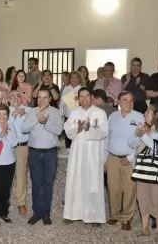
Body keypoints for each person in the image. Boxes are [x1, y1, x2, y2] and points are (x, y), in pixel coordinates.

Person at [62, 87, 108, 227]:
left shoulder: (100, 113)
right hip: (77, 153)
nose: (84, 99)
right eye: (80, 96)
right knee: (75, 180)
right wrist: (78, 129)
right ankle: (72, 214)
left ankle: (94, 216)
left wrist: (90, 128)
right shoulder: (75, 112)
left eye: (86, 96)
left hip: (93, 153)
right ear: (78, 98)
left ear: (91, 97)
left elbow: (104, 132)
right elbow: (68, 130)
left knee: (93, 181)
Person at [21, 89, 62, 225]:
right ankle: (37, 212)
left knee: (48, 184)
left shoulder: (56, 112)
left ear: (50, 99)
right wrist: (36, 119)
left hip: (50, 152)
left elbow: (58, 130)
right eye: (39, 97)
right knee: (36, 184)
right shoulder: (31, 111)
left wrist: (45, 122)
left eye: (45, 98)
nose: (42, 100)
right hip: (34, 152)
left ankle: (46, 213)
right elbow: (23, 129)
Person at [106, 91, 145, 231]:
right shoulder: (112, 117)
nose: (129, 103)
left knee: (129, 189)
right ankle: (114, 215)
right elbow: (107, 138)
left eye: (131, 100)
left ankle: (127, 217)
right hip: (113, 157)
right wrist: (105, 159)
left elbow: (141, 141)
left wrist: (129, 158)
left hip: (130, 159)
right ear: (119, 102)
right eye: (125, 100)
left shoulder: (139, 117)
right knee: (113, 188)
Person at [134, 104, 158, 241]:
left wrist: (143, 135)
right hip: (144, 167)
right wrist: (138, 134)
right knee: (143, 197)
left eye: (148, 111)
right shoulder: (147, 128)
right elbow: (135, 145)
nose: (145, 113)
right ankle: (145, 228)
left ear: (156, 114)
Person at [8, 91, 30, 215]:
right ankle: (4, 200)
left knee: (21, 174)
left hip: (22, 147)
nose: (14, 98)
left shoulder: (27, 110)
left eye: (17, 96)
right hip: (7, 148)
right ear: (8, 99)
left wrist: (25, 112)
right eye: (11, 96)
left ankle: (20, 202)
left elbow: (36, 115)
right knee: (6, 175)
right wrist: (13, 117)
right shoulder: (4, 111)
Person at [59, 71, 86, 156]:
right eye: (72, 78)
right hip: (68, 113)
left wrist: (77, 99)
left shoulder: (82, 88)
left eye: (76, 78)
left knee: (78, 131)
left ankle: (77, 148)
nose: (74, 80)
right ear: (69, 79)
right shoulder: (66, 88)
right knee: (68, 130)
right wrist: (61, 114)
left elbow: (86, 102)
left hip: (79, 114)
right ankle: (68, 148)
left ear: (79, 79)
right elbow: (62, 102)